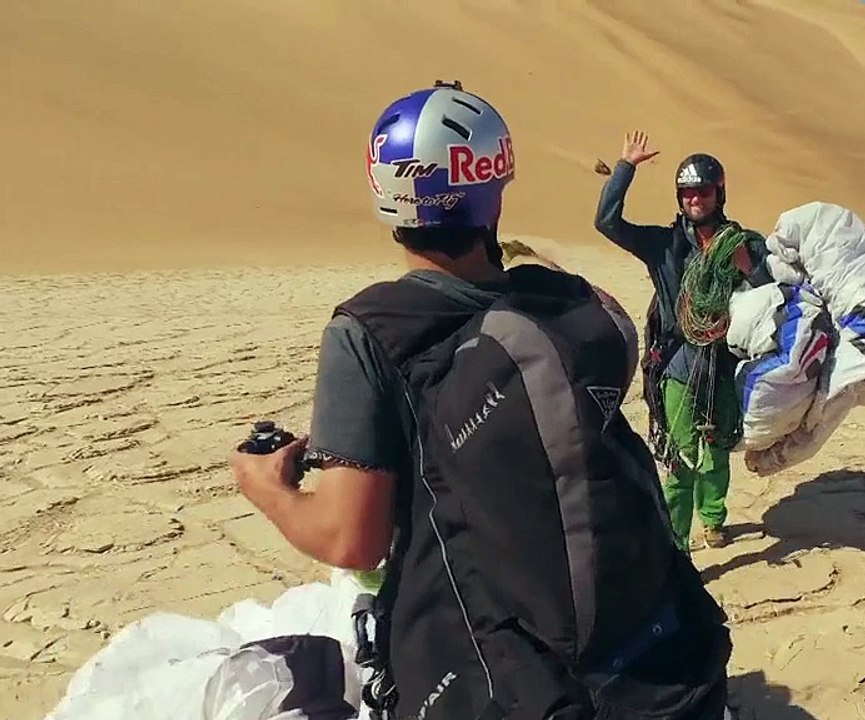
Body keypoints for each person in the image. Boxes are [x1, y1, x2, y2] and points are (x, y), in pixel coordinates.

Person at [230, 84, 733, 720]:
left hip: (492, 670)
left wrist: (264, 486)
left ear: (385, 192)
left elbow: (351, 539)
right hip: (660, 656)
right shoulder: (568, 299)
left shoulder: (368, 331)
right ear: (495, 183)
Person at [593, 132, 771, 553]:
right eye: (687, 192)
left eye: (703, 191)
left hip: (724, 363)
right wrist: (626, 167)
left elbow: (771, 296)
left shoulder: (743, 243)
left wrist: (751, 270)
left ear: (719, 193)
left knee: (716, 448)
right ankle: (676, 539)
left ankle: (713, 520)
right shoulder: (664, 244)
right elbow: (607, 223)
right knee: (680, 456)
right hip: (675, 365)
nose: (695, 199)